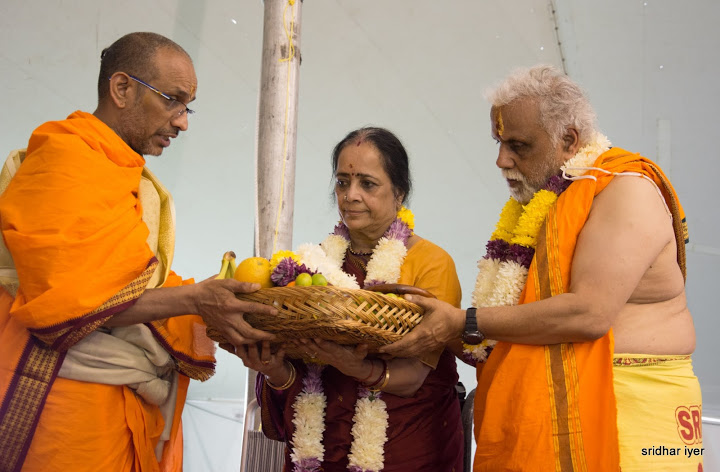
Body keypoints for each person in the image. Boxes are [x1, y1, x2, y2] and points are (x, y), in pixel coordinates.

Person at [380, 65, 702, 471]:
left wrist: (463, 321)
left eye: (518, 145)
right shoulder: (547, 205)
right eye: (499, 143)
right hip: (562, 413)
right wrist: (425, 321)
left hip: (636, 407)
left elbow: (589, 314)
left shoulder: (625, 190)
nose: (501, 159)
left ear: (569, 140)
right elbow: (513, 329)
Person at [0, 32, 276, 472]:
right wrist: (196, 300)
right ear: (122, 89)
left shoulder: (129, 175)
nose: (182, 122)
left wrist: (218, 301)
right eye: (172, 101)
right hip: (61, 400)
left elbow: (132, 279)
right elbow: (74, 298)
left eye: (188, 107)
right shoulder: (66, 159)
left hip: (125, 400)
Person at [236, 127, 465, 471]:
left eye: (367, 184)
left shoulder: (430, 262)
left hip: (405, 448)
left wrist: (358, 368)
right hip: (321, 446)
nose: (350, 195)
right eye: (343, 182)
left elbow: (415, 375)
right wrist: (273, 370)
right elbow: (298, 369)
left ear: (399, 193)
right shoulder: (313, 265)